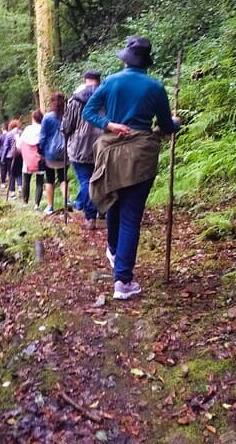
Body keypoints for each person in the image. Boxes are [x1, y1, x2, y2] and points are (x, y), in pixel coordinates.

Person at [83, 36, 180, 301]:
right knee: (131, 216)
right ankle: (123, 281)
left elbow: (88, 112)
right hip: (140, 156)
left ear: (126, 58)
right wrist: (175, 122)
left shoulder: (111, 82)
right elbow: (166, 126)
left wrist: (110, 125)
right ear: (146, 61)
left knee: (113, 202)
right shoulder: (155, 87)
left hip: (110, 153)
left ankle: (114, 252)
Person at [62, 69, 103, 230]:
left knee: (86, 182)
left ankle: (90, 217)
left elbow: (67, 126)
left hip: (79, 148)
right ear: (98, 81)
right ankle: (100, 210)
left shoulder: (75, 100)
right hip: (102, 146)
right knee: (100, 181)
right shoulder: (106, 97)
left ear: (85, 80)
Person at [38, 92, 68, 215]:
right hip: (65, 153)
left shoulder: (48, 117)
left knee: (49, 179)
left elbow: (43, 137)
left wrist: (40, 150)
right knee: (63, 178)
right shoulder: (67, 116)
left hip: (49, 153)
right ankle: (67, 202)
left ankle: (50, 207)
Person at [18, 109, 45, 210]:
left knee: (26, 181)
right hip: (40, 159)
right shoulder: (43, 129)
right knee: (39, 182)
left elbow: (19, 144)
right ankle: (36, 205)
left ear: (33, 118)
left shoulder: (28, 129)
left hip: (27, 159)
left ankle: (25, 202)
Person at [4, 119, 23, 199]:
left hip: (10, 156)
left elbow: (5, 147)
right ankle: (20, 186)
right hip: (19, 155)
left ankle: (12, 193)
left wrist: (3, 157)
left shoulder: (8, 134)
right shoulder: (22, 132)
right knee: (19, 172)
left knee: (11, 174)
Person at [0, 121, 9, 188]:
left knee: (3, 169)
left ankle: (3, 182)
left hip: (2, 154)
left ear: (2, 129)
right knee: (9, 168)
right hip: (9, 154)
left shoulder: (0, 137)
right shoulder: (10, 136)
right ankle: (10, 181)